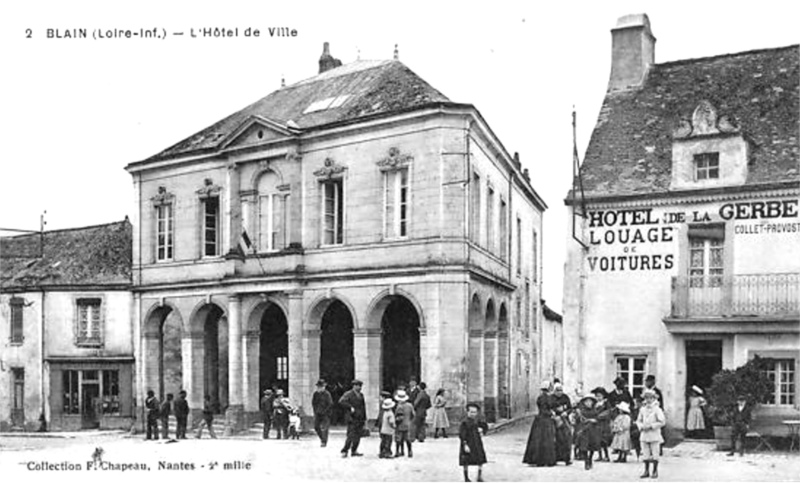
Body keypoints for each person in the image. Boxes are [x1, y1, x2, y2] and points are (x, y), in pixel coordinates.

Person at [522, 380, 557, 467]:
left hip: (541, 420)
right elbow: (544, 410)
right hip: (545, 420)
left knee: (541, 440)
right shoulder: (545, 398)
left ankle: (540, 459)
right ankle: (544, 460)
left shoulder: (542, 397)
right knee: (545, 440)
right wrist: (551, 413)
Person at [636, 389, 665, 478]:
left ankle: (655, 470)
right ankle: (646, 470)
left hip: (654, 434)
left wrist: (652, 426)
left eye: (650, 398)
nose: (648, 400)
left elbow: (662, 422)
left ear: (654, 399)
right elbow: (638, 420)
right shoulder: (642, 409)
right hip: (644, 434)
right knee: (645, 453)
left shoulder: (657, 409)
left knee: (655, 452)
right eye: (646, 398)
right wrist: (641, 426)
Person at [459, 402, 488, 482]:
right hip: (468, 442)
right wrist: (465, 444)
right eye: (471, 412)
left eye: (474, 412)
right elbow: (462, 434)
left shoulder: (478, 421)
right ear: (467, 412)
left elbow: (485, 426)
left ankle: (479, 476)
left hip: (477, 442)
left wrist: (482, 430)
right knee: (466, 460)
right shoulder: (464, 423)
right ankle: (466, 477)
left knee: (480, 459)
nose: (473, 414)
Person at [339, 379, 366, 458]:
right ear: (354, 386)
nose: (360, 388)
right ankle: (345, 451)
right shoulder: (348, 394)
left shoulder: (361, 395)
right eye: (358, 386)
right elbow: (341, 401)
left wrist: (364, 419)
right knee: (350, 435)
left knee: (358, 436)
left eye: (360, 386)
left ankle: (354, 450)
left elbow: (363, 407)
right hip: (352, 418)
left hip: (359, 418)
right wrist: (350, 407)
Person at [575, 394, 602, 470]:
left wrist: (594, 420)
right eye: (586, 401)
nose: (588, 403)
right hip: (584, 431)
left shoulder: (595, 411)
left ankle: (590, 458)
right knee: (584, 447)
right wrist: (578, 416)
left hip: (593, 431)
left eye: (590, 401)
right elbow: (578, 421)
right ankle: (586, 461)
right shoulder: (582, 411)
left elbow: (598, 419)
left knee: (592, 447)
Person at [551, 383, 573, 465]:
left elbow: (570, 408)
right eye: (557, 390)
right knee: (556, 439)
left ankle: (567, 458)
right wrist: (554, 413)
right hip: (555, 420)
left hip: (564, 420)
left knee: (567, 438)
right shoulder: (551, 398)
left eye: (561, 390)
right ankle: (555, 458)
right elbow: (549, 408)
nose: (559, 392)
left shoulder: (565, 397)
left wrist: (566, 412)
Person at [394, 389, 416, 457]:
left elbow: (397, 416)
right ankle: (410, 452)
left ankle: (398, 451)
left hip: (400, 425)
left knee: (398, 439)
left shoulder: (399, 406)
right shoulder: (410, 405)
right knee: (407, 439)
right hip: (408, 424)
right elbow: (413, 414)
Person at [593, 387, 612, 462]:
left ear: (603, 396)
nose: (598, 397)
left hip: (604, 424)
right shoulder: (595, 404)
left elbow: (608, 412)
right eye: (597, 396)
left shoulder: (606, 403)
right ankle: (600, 455)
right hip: (596, 424)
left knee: (604, 440)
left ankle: (606, 456)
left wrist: (599, 416)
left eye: (600, 396)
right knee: (597, 440)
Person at [312, 379, 333, 447]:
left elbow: (330, 404)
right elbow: (313, 403)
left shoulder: (327, 394)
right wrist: (315, 411)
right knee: (316, 427)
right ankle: (322, 438)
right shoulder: (315, 394)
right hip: (318, 413)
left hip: (326, 414)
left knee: (325, 428)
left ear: (324, 387)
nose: (319, 388)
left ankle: (324, 441)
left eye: (321, 387)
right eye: (318, 387)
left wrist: (325, 411)